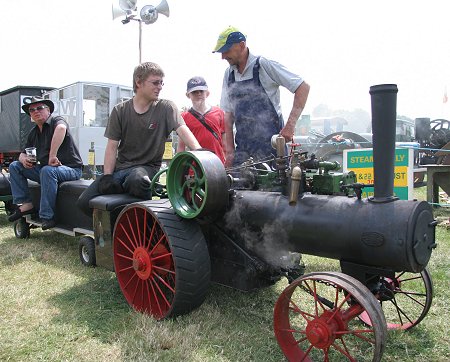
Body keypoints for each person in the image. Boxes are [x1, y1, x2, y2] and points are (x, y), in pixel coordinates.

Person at [77, 62, 202, 216]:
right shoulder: (120, 110)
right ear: (138, 82)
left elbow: (184, 131)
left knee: (137, 180)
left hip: (147, 168)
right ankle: (113, 229)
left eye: (162, 83)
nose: (160, 87)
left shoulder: (166, 108)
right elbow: (112, 146)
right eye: (155, 82)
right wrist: (108, 177)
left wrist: (201, 153)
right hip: (121, 170)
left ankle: (146, 226)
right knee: (84, 202)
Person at [212, 26, 310, 167]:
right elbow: (228, 115)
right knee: (238, 187)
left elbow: (303, 87)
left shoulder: (264, 65)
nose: (223, 57)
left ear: (242, 45)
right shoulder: (229, 74)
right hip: (243, 150)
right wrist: (230, 152)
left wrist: (290, 126)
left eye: (226, 51)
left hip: (271, 147)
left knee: (275, 187)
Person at [8, 96, 83, 230]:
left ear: (48, 110)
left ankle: (47, 216)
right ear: (30, 114)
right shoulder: (34, 132)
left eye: (39, 108)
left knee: (47, 170)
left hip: (71, 169)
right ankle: (26, 204)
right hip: (47, 171)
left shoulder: (56, 120)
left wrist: (52, 155)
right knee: (15, 166)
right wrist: (23, 159)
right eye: (32, 110)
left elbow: (61, 129)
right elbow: (22, 153)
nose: (36, 111)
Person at [177, 76, 226, 164]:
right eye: (194, 92)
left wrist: (227, 163)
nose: (198, 94)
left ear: (207, 93)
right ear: (188, 95)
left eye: (201, 91)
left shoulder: (219, 113)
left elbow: (225, 143)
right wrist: (179, 167)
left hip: (218, 164)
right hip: (195, 167)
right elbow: (181, 147)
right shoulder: (183, 117)